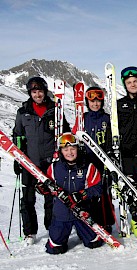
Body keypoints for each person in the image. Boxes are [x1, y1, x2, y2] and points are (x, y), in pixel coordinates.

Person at [13, 76, 70, 245]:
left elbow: (64, 132)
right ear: (30, 93)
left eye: (40, 91)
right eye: (34, 92)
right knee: (28, 199)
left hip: (50, 161)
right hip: (29, 162)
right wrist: (17, 157)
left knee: (51, 198)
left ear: (45, 92)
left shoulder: (55, 109)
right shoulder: (23, 112)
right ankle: (30, 232)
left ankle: (52, 226)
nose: (37, 94)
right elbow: (18, 135)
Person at [36, 133, 103, 254]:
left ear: (78, 148)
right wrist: (43, 188)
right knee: (55, 248)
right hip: (61, 213)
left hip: (82, 211)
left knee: (94, 243)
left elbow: (98, 188)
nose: (70, 152)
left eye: (73, 148)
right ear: (60, 151)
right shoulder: (54, 167)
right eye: (65, 149)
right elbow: (48, 187)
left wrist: (82, 194)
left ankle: (86, 232)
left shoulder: (88, 167)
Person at [73, 86, 115, 233]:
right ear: (87, 102)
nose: (95, 104)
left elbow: (112, 137)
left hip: (103, 159)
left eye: (98, 101)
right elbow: (75, 134)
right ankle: (90, 221)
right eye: (92, 101)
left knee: (104, 191)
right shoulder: (83, 118)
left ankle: (107, 221)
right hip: (87, 159)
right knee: (89, 191)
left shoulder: (107, 119)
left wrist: (110, 154)